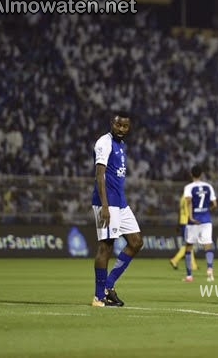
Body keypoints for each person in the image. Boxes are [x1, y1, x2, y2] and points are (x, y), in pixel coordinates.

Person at [91, 111, 144, 307]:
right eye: (118, 125)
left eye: (125, 126)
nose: (121, 129)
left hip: (120, 202)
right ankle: (99, 296)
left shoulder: (121, 145)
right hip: (107, 202)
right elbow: (100, 175)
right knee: (106, 246)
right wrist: (105, 205)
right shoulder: (104, 143)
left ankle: (109, 285)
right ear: (111, 124)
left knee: (137, 242)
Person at [182, 164, 218, 282]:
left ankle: (189, 276)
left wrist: (191, 217)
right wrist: (207, 211)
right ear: (201, 174)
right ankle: (210, 270)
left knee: (188, 247)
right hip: (206, 220)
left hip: (194, 221)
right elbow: (215, 205)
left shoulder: (189, 187)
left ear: (191, 174)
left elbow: (188, 202)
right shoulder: (208, 186)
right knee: (208, 245)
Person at [169, 193, 199, 271]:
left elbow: (180, 211)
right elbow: (188, 211)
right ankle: (175, 259)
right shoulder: (188, 197)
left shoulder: (182, 197)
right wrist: (192, 220)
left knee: (189, 243)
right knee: (188, 244)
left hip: (182, 222)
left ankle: (193, 265)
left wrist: (178, 223)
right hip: (187, 222)